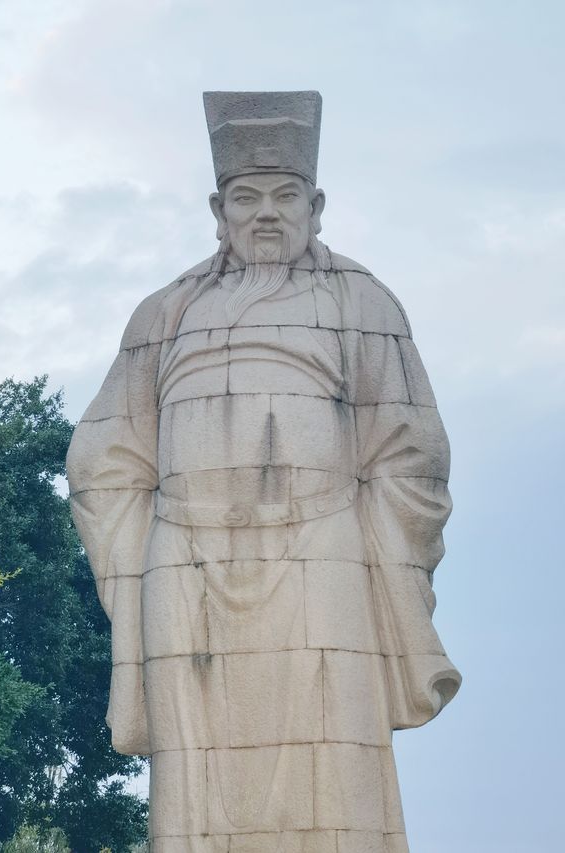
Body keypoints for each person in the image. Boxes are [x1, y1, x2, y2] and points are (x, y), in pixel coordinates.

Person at [66, 91, 460, 853]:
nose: (266, 215)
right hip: (187, 563)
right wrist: (143, 560)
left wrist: (368, 545)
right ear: (220, 209)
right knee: (196, 785)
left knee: (335, 767)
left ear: (316, 206)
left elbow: (415, 450)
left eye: (286, 197)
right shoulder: (164, 315)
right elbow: (102, 455)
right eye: (247, 198)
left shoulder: (363, 303)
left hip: (321, 559)